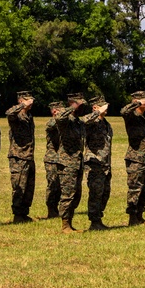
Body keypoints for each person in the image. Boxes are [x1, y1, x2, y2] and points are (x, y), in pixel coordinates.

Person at [55, 93, 87, 233]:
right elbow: (59, 117)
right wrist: (72, 107)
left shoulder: (77, 121)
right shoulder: (65, 119)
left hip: (77, 161)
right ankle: (65, 224)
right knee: (67, 194)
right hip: (66, 162)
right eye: (80, 105)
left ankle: (70, 222)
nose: (82, 107)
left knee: (76, 194)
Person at [121, 91, 145, 226]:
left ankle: (140, 215)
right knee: (135, 188)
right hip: (135, 158)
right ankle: (132, 218)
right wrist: (136, 103)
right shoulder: (132, 116)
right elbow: (123, 111)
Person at [82, 96, 112, 231]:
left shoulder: (106, 123)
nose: (106, 108)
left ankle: (98, 219)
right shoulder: (91, 121)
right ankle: (94, 222)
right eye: (103, 106)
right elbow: (82, 121)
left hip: (105, 163)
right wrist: (96, 113)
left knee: (105, 192)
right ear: (95, 107)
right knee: (95, 193)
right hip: (94, 162)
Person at [5, 90, 36, 223]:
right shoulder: (16, 116)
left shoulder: (29, 116)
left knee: (29, 187)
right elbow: (8, 113)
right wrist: (22, 106)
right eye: (27, 100)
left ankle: (24, 213)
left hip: (29, 156)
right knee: (19, 186)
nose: (30, 103)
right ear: (20, 101)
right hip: (18, 157)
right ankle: (17, 214)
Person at [43, 101, 64, 219]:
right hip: (52, 158)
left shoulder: (62, 123)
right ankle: (51, 209)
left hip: (61, 158)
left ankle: (58, 208)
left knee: (61, 185)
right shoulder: (51, 123)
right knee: (53, 185)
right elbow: (52, 125)